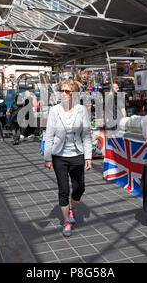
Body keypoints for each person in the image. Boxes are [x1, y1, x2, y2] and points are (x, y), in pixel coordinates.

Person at [43, 79, 92, 237]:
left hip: (77, 154)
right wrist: (48, 157)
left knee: (80, 187)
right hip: (59, 157)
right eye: (61, 91)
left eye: (67, 91)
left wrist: (88, 156)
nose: (63, 94)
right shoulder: (54, 111)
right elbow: (49, 135)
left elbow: (86, 135)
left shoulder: (81, 110)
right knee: (63, 190)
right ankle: (66, 221)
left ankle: (72, 207)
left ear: (74, 93)